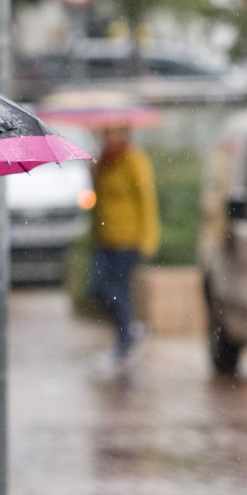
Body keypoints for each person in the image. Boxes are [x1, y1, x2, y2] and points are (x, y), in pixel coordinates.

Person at [89, 123, 160, 361]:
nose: (107, 136)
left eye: (112, 132)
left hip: (128, 238)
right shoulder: (104, 161)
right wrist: (94, 173)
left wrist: (148, 238)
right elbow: (98, 200)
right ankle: (129, 328)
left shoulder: (133, 159)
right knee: (98, 288)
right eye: (105, 132)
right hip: (105, 238)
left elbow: (146, 200)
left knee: (119, 289)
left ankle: (124, 340)